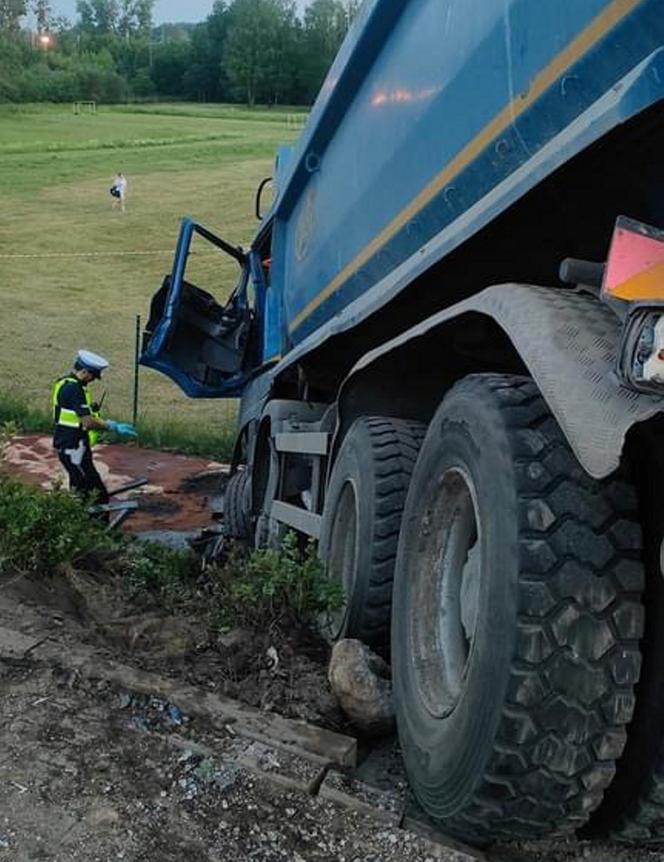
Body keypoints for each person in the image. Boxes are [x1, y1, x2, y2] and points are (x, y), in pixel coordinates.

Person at [52, 349, 137, 508]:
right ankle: (95, 528)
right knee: (94, 495)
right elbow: (87, 422)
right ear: (84, 371)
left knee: (81, 488)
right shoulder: (74, 389)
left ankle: (82, 523)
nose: (92, 380)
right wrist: (112, 426)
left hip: (72, 446)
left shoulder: (64, 382)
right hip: (73, 449)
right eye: (92, 375)